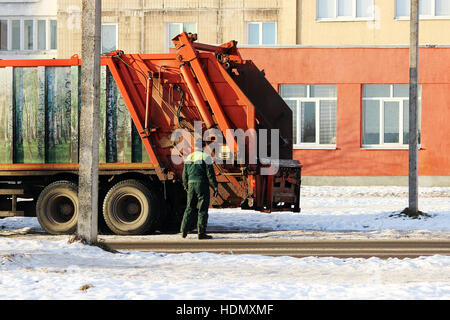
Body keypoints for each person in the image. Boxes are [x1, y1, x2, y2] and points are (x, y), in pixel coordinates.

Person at [180, 148, 218, 240]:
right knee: (202, 209)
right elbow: (210, 174)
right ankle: (201, 233)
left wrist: (186, 186)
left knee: (189, 208)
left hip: (191, 184)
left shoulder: (189, 157)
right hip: (202, 185)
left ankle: (183, 231)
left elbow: (184, 175)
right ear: (203, 148)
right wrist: (215, 187)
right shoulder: (206, 157)